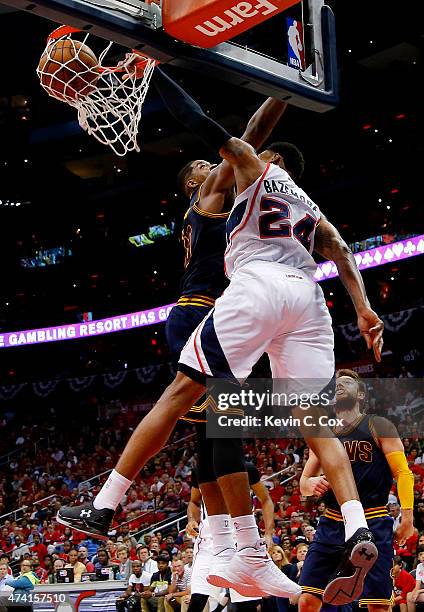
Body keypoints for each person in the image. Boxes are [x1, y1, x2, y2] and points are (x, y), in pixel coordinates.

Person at [58, 66, 384, 603]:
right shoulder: (237, 196)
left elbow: (224, 128)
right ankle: (338, 528)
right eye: (208, 168)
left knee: (212, 427)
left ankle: (124, 510)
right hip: (294, 299)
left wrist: (156, 67)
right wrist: (365, 311)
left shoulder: (251, 178)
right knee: (266, 425)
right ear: (198, 182)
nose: (219, 167)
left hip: (245, 296)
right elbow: (343, 252)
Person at [299, 369, 414, 611]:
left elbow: (403, 472)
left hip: (373, 519)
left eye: (347, 382)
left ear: (361, 394)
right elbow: (304, 482)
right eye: (336, 384)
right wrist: (309, 484)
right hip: (332, 522)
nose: (339, 385)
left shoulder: (378, 425)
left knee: (377, 605)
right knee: (307, 600)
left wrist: (408, 516)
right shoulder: (323, 432)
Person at [185, 461, 274, 611]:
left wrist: (268, 533)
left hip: (241, 540)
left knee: (247, 604)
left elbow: (266, 500)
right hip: (209, 542)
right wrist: (192, 520)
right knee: (198, 599)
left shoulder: (246, 468)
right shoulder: (200, 470)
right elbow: (194, 502)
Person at [406, 546, 424, 612]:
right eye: (420, 554)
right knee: (409, 596)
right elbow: (417, 587)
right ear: (418, 558)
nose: (423, 556)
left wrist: (419, 591)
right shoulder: (419, 567)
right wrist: (414, 594)